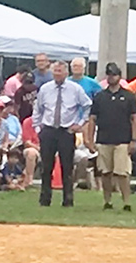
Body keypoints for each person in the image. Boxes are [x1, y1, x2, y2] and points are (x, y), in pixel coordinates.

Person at [32, 60, 92, 207]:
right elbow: (38, 109)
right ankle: (45, 200)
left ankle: (68, 200)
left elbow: (87, 105)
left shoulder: (75, 89)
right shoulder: (45, 89)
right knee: (46, 167)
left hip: (66, 131)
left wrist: (80, 123)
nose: (57, 74)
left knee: (67, 167)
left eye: (60, 71)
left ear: (66, 73)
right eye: (55, 71)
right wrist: (38, 128)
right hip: (48, 130)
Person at [85, 62, 136, 211]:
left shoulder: (129, 96)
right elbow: (92, 119)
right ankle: (107, 201)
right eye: (109, 75)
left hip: (123, 139)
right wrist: (90, 139)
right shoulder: (100, 97)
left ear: (119, 76)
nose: (111, 77)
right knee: (105, 172)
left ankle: (126, 202)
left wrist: (134, 139)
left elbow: (135, 118)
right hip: (104, 138)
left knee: (122, 173)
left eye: (114, 74)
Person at [21, 116, 40, 187]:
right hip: (33, 147)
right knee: (31, 152)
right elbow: (27, 143)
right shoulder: (28, 122)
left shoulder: (49, 122)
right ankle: (29, 180)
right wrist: (38, 148)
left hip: (48, 148)